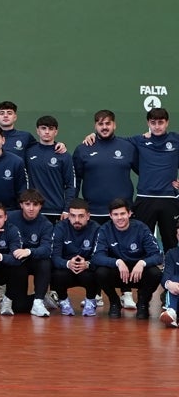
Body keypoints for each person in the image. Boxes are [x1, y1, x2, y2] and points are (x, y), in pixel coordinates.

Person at [93, 197, 162, 320]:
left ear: (129, 213)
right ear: (110, 215)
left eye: (123, 213)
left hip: (138, 273)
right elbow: (97, 257)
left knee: (155, 273)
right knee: (100, 272)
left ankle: (143, 302)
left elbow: (157, 255)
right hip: (118, 272)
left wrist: (142, 263)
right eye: (115, 214)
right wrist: (117, 262)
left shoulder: (141, 228)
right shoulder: (105, 229)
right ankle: (114, 302)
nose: (119, 218)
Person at [128, 107, 179, 252]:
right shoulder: (139, 140)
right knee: (141, 240)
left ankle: (170, 273)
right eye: (153, 122)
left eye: (160, 122)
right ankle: (144, 272)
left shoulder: (176, 140)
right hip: (145, 198)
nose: (157, 126)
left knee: (171, 240)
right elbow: (113, 143)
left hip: (169, 198)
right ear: (148, 123)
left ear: (167, 123)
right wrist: (92, 136)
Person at [73, 110, 137, 222]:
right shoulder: (83, 149)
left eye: (108, 123)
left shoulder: (128, 147)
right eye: (100, 124)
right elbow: (74, 181)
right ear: (95, 126)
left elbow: (145, 172)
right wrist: (71, 205)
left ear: (114, 125)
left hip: (121, 213)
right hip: (93, 213)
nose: (104, 127)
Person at [5, 189, 54, 317]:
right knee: (19, 307)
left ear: (40, 206)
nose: (31, 208)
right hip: (17, 263)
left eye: (35, 204)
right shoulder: (10, 218)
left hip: (34, 260)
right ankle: (41, 298)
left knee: (45, 262)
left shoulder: (46, 224)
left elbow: (47, 249)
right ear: (21, 205)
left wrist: (28, 251)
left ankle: (38, 302)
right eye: (27, 204)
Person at [50, 198, 100, 317]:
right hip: (66, 269)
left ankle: (90, 301)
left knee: (99, 271)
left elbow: (100, 255)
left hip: (86, 270)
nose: (76, 220)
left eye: (81, 216)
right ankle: (63, 301)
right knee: (53, 270)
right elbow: (55, 256)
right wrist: (68, 263)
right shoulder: (60, 228)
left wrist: (87, 264)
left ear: (88, 216)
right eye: (73, 216)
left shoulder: (96, 229)